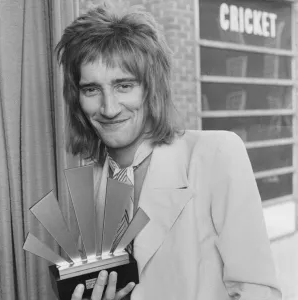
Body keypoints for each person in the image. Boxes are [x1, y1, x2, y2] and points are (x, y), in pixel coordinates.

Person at [55, 3, 281, 300]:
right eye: (91, 90)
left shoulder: (216, 155)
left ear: (151, 88)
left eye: (124, 85)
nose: (109, 108)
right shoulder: (93, 182)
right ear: (77, 99)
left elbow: (258, 293)